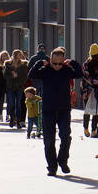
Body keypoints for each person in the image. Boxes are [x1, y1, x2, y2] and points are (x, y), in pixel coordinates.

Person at [33, 46, 73, 176]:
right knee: (49, 141)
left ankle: (62, 161)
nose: (57, 66)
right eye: (55, 63)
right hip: (48, 110)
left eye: (60, 63)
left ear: (63, 61)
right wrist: (39, 63)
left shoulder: (66, 70)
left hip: (64, 110)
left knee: (66, 137)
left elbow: (79, 73)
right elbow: (31, 74)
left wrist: (72, 63)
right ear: (50, 60)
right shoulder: (46, 70)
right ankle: (52, 166)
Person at [10, 49, 28, 127]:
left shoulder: (24, 64)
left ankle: (18, 121)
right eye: (18, 55)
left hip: (20, 87)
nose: (19, 56)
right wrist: (12, 75)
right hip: (10, 87)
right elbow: (5, 75)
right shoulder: (8, 64)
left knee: (18, 105)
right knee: (11, 104)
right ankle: (12, 119)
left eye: (20, 55)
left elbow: (25, 76)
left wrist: (18, 76)